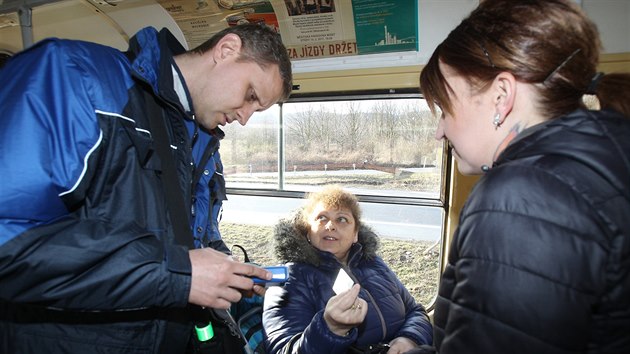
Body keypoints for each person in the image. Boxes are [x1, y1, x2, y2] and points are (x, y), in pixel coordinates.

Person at [0, 23, 292, 353]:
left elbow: (189, 239)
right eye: (251, 95)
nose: (244, 118)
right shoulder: (74, 77)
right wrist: (179, 274)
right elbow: (9, 238)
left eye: (258, 109)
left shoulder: (201, 145)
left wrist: (226, 272)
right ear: (226, 50)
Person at [418, 0, 630, 353]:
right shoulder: (606, 150)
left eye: (444, 108)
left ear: (501, 96)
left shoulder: (522, 198)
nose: (440, 131)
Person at [263, 186, 433, 354]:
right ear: (308, 231)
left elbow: (415, 311)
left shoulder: (374, 264)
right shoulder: (289, 278)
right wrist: (330, 328)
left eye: (342, 219)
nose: (330, 226)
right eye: (321, 218)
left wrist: (409, 339)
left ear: (355, 234)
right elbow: (282, 350)